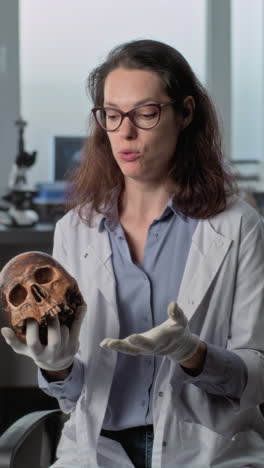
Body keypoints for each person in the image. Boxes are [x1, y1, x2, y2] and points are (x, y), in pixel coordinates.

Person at [2, 39, 264, 468]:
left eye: (145, 113)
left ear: (185, 113)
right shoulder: (76, 230)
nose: (125, 132)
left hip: (207, 451)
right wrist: (57, 368)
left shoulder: (237, 226)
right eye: (111, 114)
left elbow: (257, 375)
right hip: (96, 450)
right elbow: (72, 397)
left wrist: (193, 355)